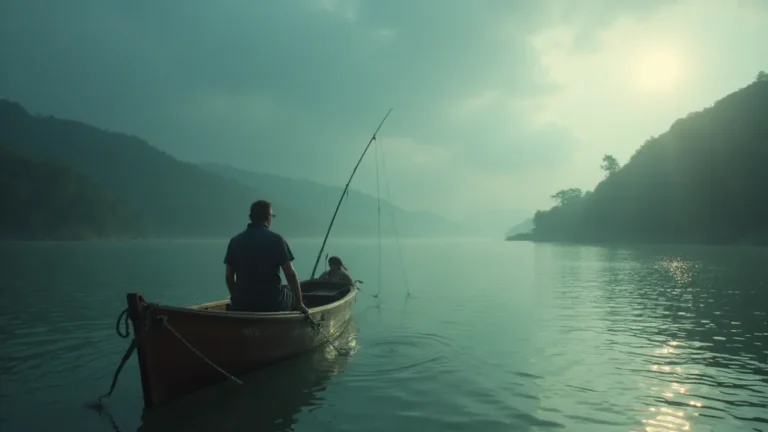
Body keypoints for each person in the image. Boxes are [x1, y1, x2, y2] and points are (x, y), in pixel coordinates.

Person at [223, 200, 308, 314]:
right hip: (272, 303)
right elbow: (290, 273)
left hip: (241, 304)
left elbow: (229, 277)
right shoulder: (277, 240)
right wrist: (300, 303)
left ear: (250, 217)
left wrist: (237, 298)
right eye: (272, 215)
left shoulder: (235, 241)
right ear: (268, 218)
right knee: (290, 294)